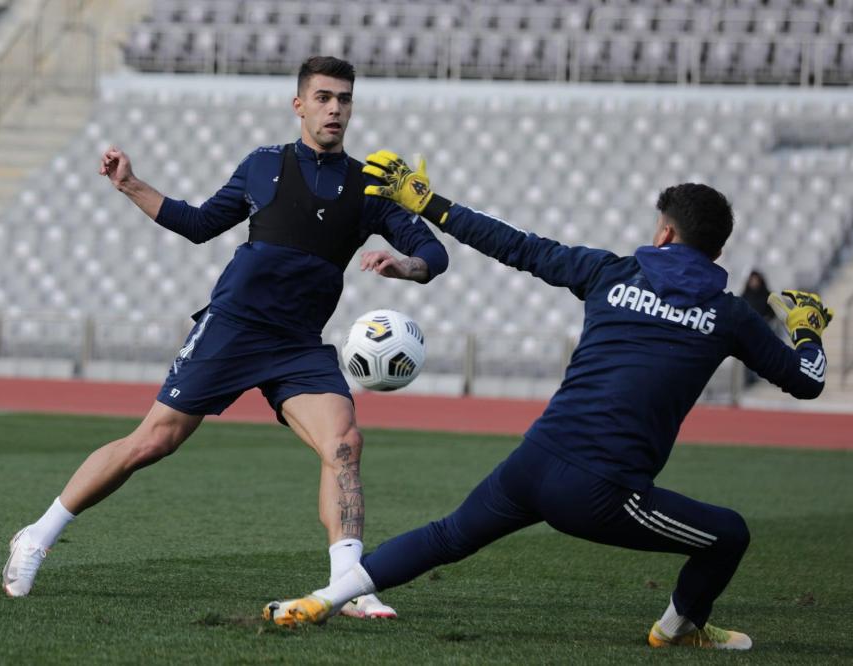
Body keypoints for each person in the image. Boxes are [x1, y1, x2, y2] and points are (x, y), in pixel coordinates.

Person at [265, 150, 833, 649]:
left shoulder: (610, 273)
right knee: (728, 535)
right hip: (602, 490)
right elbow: (807, 379)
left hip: (533, 463)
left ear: (664, 233)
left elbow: (515, 246)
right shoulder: (729, 316)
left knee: (446, 537)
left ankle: (322, 599)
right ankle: (678, 629)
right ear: (717, 249)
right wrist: (807, 329)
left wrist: (430, 204)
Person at [2, 59, 450, 620]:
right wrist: (130, 184)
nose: (335, 108)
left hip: (298, 344)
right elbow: (198, 224)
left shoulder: (369, 187)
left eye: (344, 99)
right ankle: (38, 535)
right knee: (153, 441)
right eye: (323, 97)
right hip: (234, 326)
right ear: (300, 105)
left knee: (344, 445)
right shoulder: (263, 164)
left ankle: (348, 586)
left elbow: (433, 254)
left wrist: (406, 266)